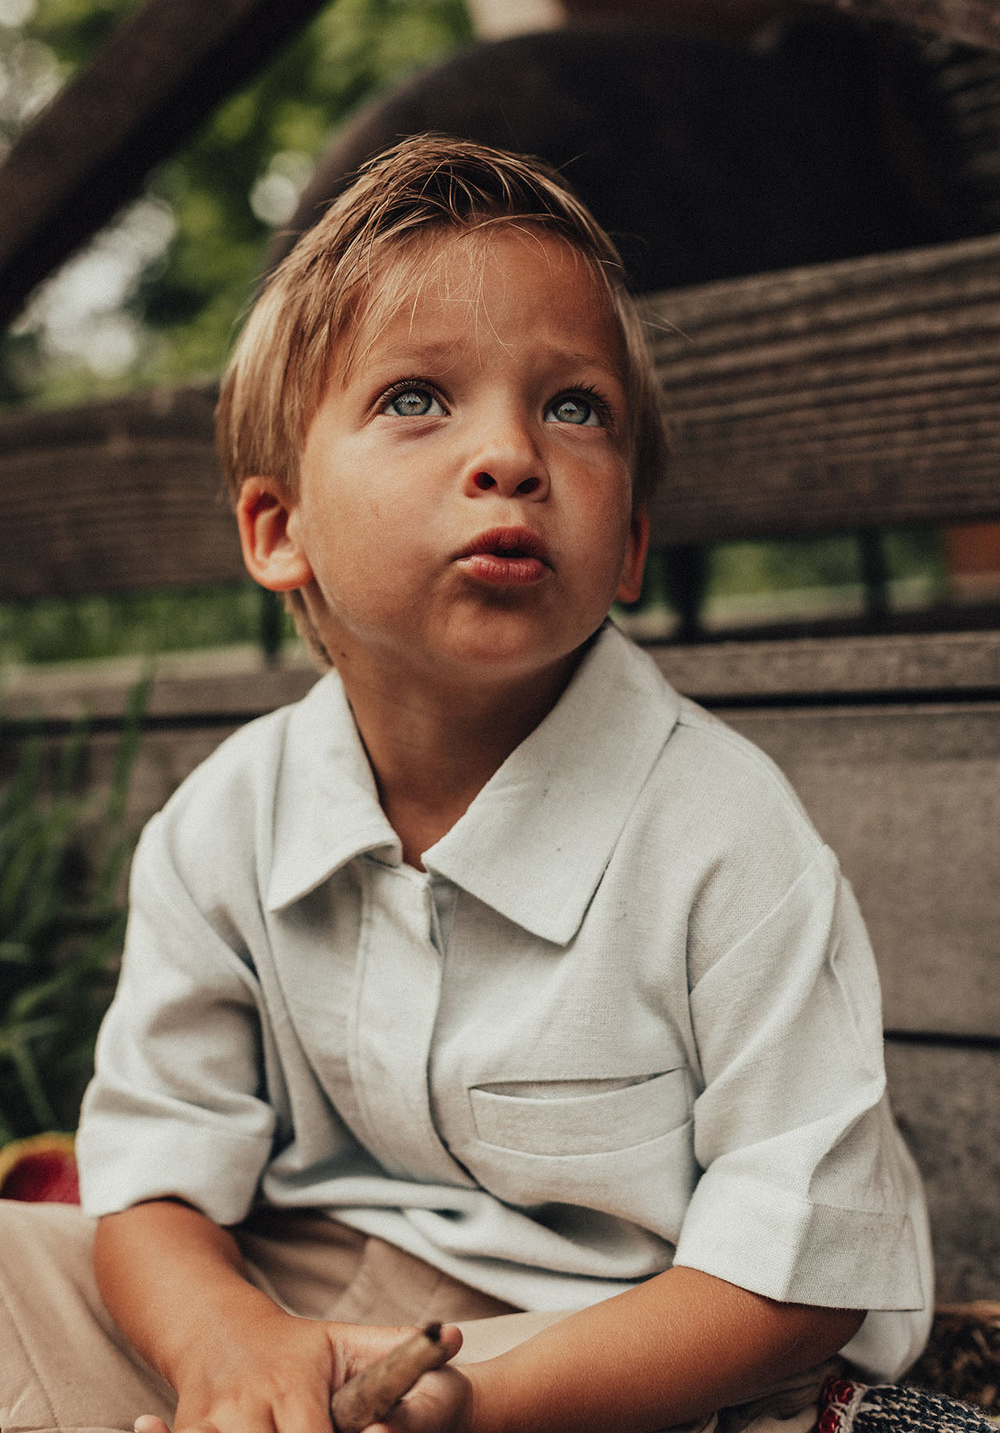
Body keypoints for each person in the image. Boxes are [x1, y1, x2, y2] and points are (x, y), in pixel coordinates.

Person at [0, 135, 957, 1433]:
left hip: (632, 1347)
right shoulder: (219, 831)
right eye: (415, 398)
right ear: (279, 531)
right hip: (310, 1294)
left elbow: (796, 1278)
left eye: (573, 407)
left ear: (624, 544)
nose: (509, 452)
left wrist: (473, 1409)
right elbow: (152, 1179)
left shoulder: (728, 843)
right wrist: (229, 1349)